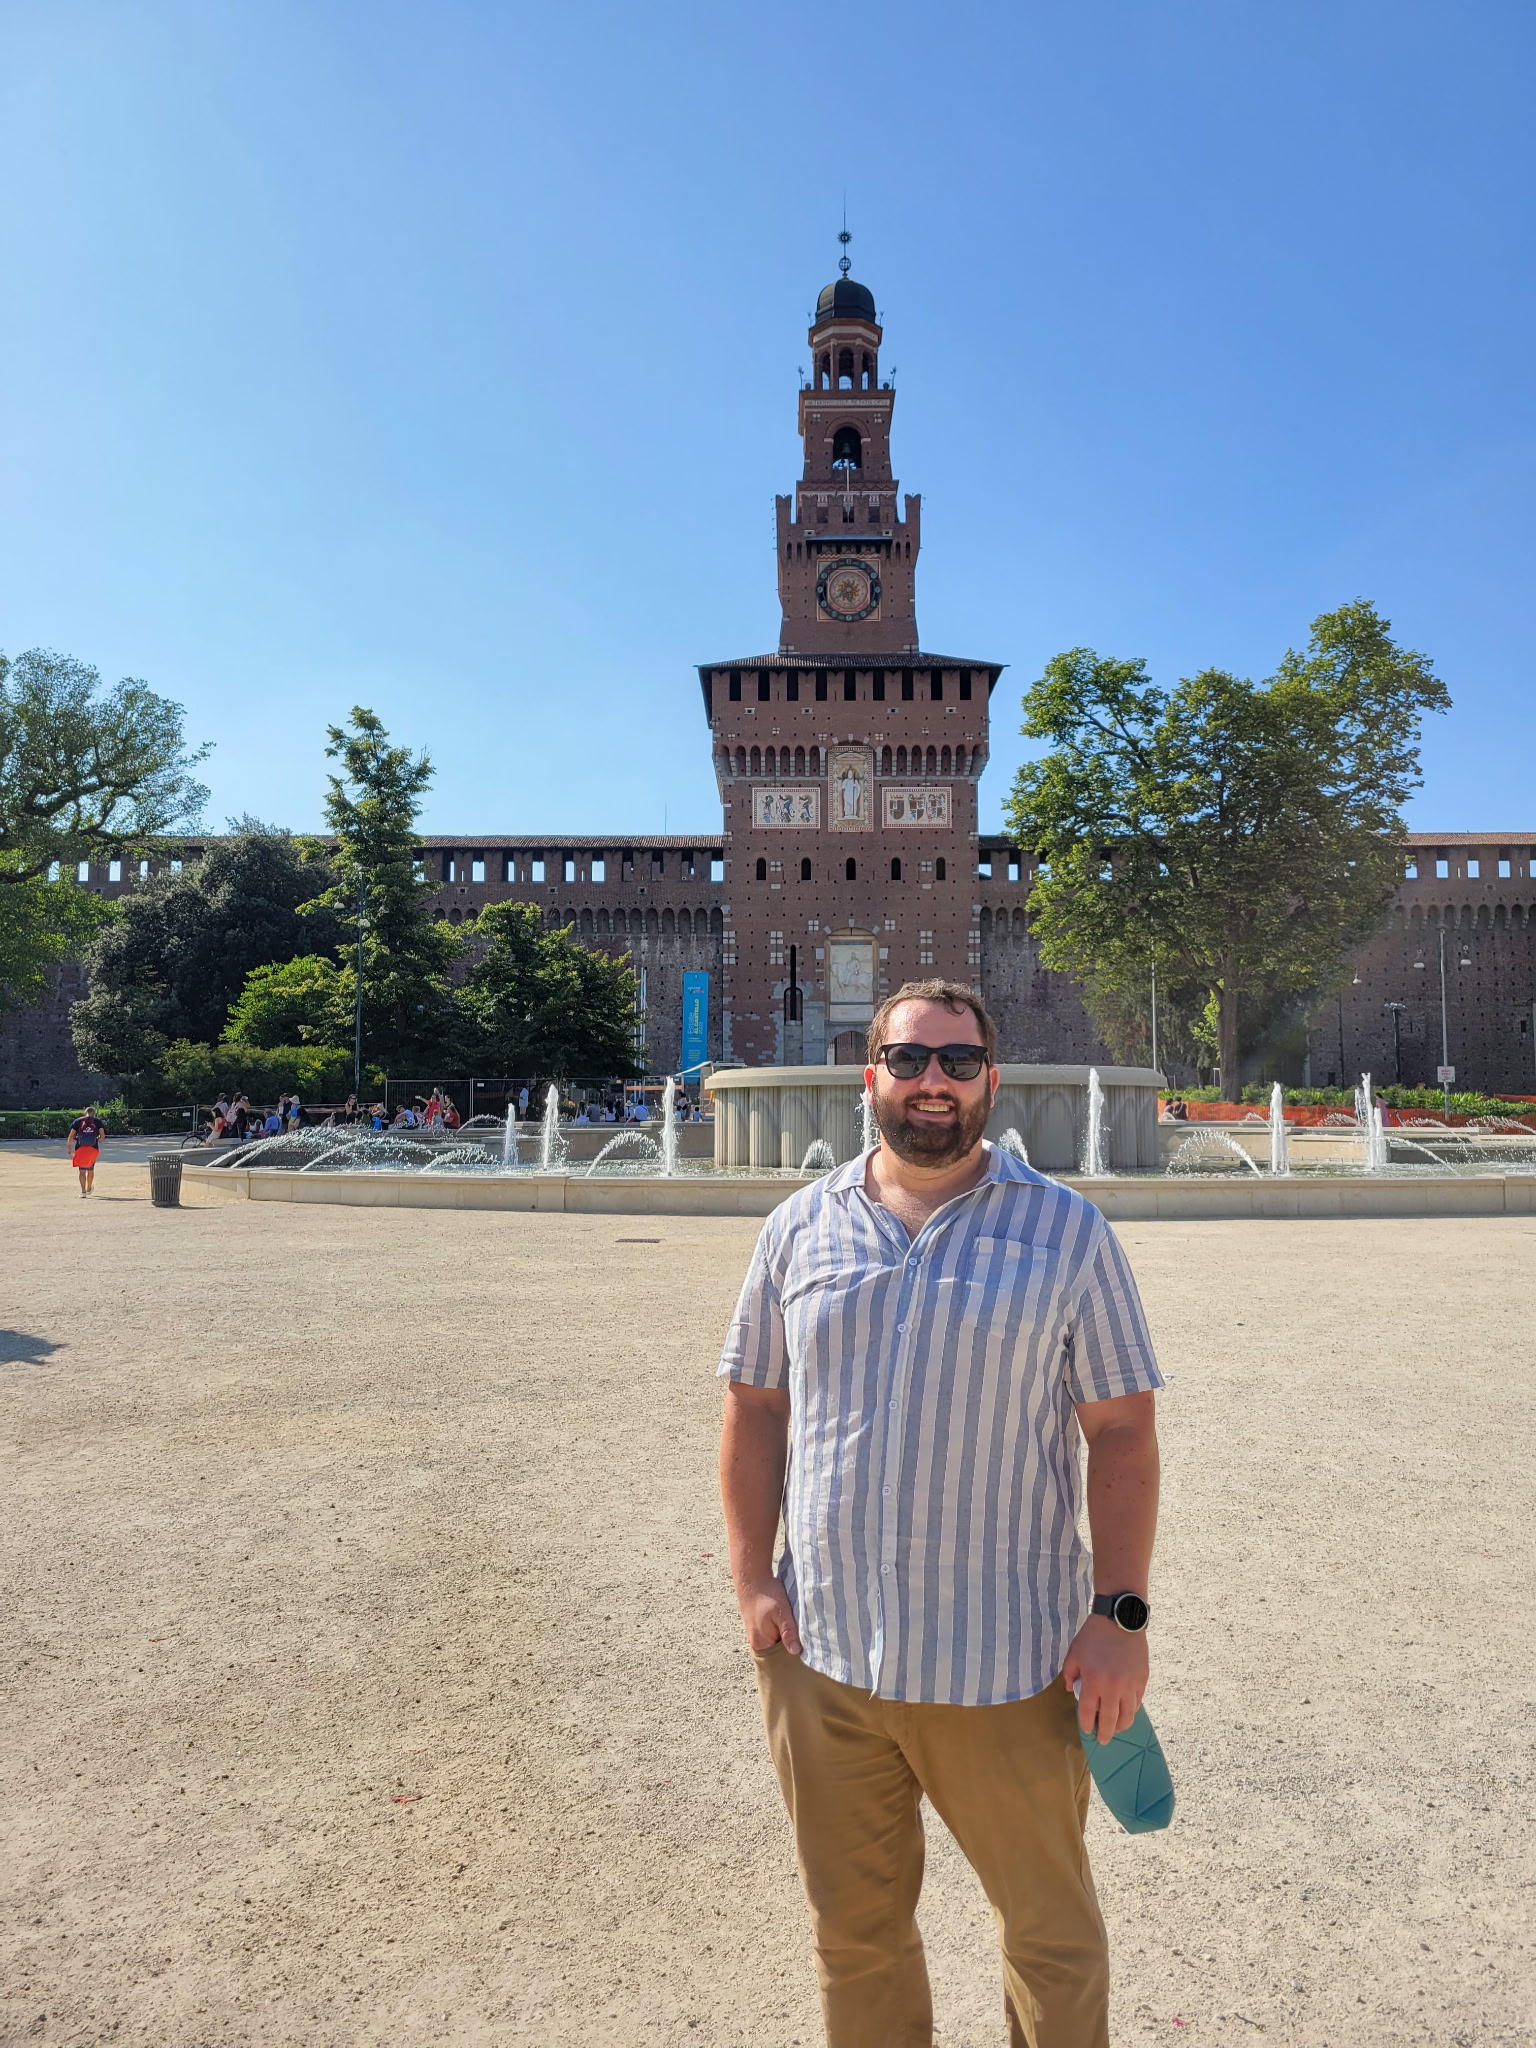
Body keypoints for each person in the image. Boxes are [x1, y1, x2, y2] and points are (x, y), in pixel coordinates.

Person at [719, 979, 1163, 2048]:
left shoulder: (1066, 1230)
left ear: (990, 1081)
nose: (934, 1081)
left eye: (959, 1062)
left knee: (1051, 1938)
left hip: (1006, 1664)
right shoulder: (799, 1228)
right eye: (910, 1058)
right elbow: (755, 1406)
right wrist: (752, 1577)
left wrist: (1121, 1614)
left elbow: (1123, 1431)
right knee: (854, 1936)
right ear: (868, 1073)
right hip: (826, 1659)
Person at [66, 1106, 105, 1195]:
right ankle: (89, 1188)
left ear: (85, 1113)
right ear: (94, 1114)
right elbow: (102, 1136)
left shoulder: (78, 1121)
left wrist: (69, 1146)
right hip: (93, 1148)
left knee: (82, 1170)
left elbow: (71, 1135)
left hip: (80, 1148)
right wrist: (96, 1139)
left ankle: (83, 1192)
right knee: (90, 1169)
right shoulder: (97, 1121)